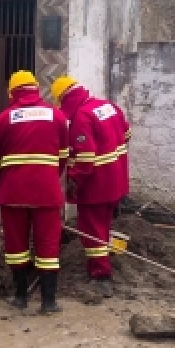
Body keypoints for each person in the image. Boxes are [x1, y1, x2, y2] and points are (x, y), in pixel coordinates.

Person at [0, 71, 68, 313]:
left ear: (12, 92)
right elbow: (63, 157)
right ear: (36, 88)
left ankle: (20, 298)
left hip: (13, 193)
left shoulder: (4, 118)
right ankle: (49, 302)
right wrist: (49, 177)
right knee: (48, 245)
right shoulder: (57, 115)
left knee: (16, 245)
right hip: (47, 192)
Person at [51, 75, 131, 299]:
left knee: (92, 230)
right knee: (103, 225)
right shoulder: (106, 105)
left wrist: (74, 182)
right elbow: (126, 134)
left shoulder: (81, 117)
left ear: (63, 98)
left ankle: (100, 276)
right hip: (116, 180)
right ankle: (104, 262)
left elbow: (85, 160)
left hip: (96, 187)